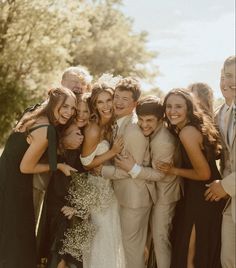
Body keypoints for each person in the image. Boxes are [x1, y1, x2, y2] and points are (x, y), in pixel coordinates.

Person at [0, 87, 77, 268]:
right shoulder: (45, 130)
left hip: (5, 178)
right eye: (65, 106)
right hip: (14, 186)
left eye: (72, 108)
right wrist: (58, 165)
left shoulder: (33, 115)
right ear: (53, 103)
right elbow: (26, 167)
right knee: (17, 241)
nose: (69, 112)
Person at [156, 88, 225, 268]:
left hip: (204, 196)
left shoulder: (187, 132)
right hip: (199, 195)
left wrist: (173, 170)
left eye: (178, 106)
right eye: (169, 106)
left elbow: (204, 174)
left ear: (188, 108)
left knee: (192, 252)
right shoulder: (188, 128)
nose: (172, 111)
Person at [114, 95, 182, 268]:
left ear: (161, 119)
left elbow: (160, 175)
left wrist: (132, 168)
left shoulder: (163, 141)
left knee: (160, 241)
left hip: (164, 195)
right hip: (152, 192)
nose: (144, 124)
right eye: (141, 120)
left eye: (150, 120)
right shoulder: (152, 132)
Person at [101, 78, 157, 268]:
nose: (118, 102)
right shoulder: (119, 124)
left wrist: (100, 170)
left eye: (125, 99)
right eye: (116, 96)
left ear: (135, 104)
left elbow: (129, 170)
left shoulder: (133, 130)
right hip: (125, 196)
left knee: (132, 250)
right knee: (128, 249)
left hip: (135, 199)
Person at [33, 66, 92, 238]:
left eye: (82, 84)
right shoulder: (52, 109)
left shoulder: (82, 110)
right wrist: (64, 142)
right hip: (44, 174)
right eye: (74, 81)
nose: (78, 86)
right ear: (62, 83)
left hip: (70, 175)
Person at [79, 82, 126, 268]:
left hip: (110, 186)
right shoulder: (94, 128)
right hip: (97, 188)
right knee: (102, 235)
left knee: (114, 234)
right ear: (94, 105)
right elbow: (86, 162)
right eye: (100, 102)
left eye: (109, 100)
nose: (106, 106)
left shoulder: (112, 124)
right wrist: (112, 152)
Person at [43, 93, 91, 268]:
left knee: (68, 251)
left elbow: (86, 181)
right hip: (60, 201)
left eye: (85, 111)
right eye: (77, 110)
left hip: (75, 205)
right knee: (59, 248)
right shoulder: (63, 137)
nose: (80, 114)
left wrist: (79, 208)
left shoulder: (86, 140)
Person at [205, 55, 236, 268]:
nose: (230, 81)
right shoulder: (220, 114)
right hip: (230, 204)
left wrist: (225, 186)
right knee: (228, 260)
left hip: (228, 189)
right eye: (226, 76)